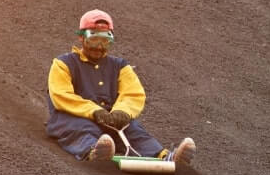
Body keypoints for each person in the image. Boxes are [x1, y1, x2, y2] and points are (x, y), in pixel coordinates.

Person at [46, 9, 196, 165]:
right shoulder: (63, 63)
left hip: (109, 119)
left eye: (105, 41)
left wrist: (121, 112)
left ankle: (166, 157)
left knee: (133, 129)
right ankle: (94, 152)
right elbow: (61, 95)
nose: (99, 47)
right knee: (82, 128)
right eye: (94, 40)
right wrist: (94, 111)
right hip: (72, 118)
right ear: (81, 37)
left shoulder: (120, 66)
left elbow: (133, 93)